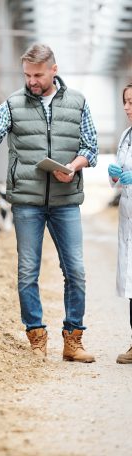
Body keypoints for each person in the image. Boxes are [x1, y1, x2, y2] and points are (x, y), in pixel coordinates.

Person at [0, 43, 98, 362]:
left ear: (54, 70)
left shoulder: (78, 102)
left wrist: (74, 166)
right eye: (27, 75)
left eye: (38, 75)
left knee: (76, 271)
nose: (32, 81)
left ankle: (73, 340)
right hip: (27, 202)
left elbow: (90, 146)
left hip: (66, 200)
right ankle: (36, 337)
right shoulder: (13, 104)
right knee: (28, 270)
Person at [107, 82, 132, 364]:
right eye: (125, 102)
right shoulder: (126, 135)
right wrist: (115, 176)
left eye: (131, 102)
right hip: (128, 219)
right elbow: (119, 179)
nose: (126, 108)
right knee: (131, 289)